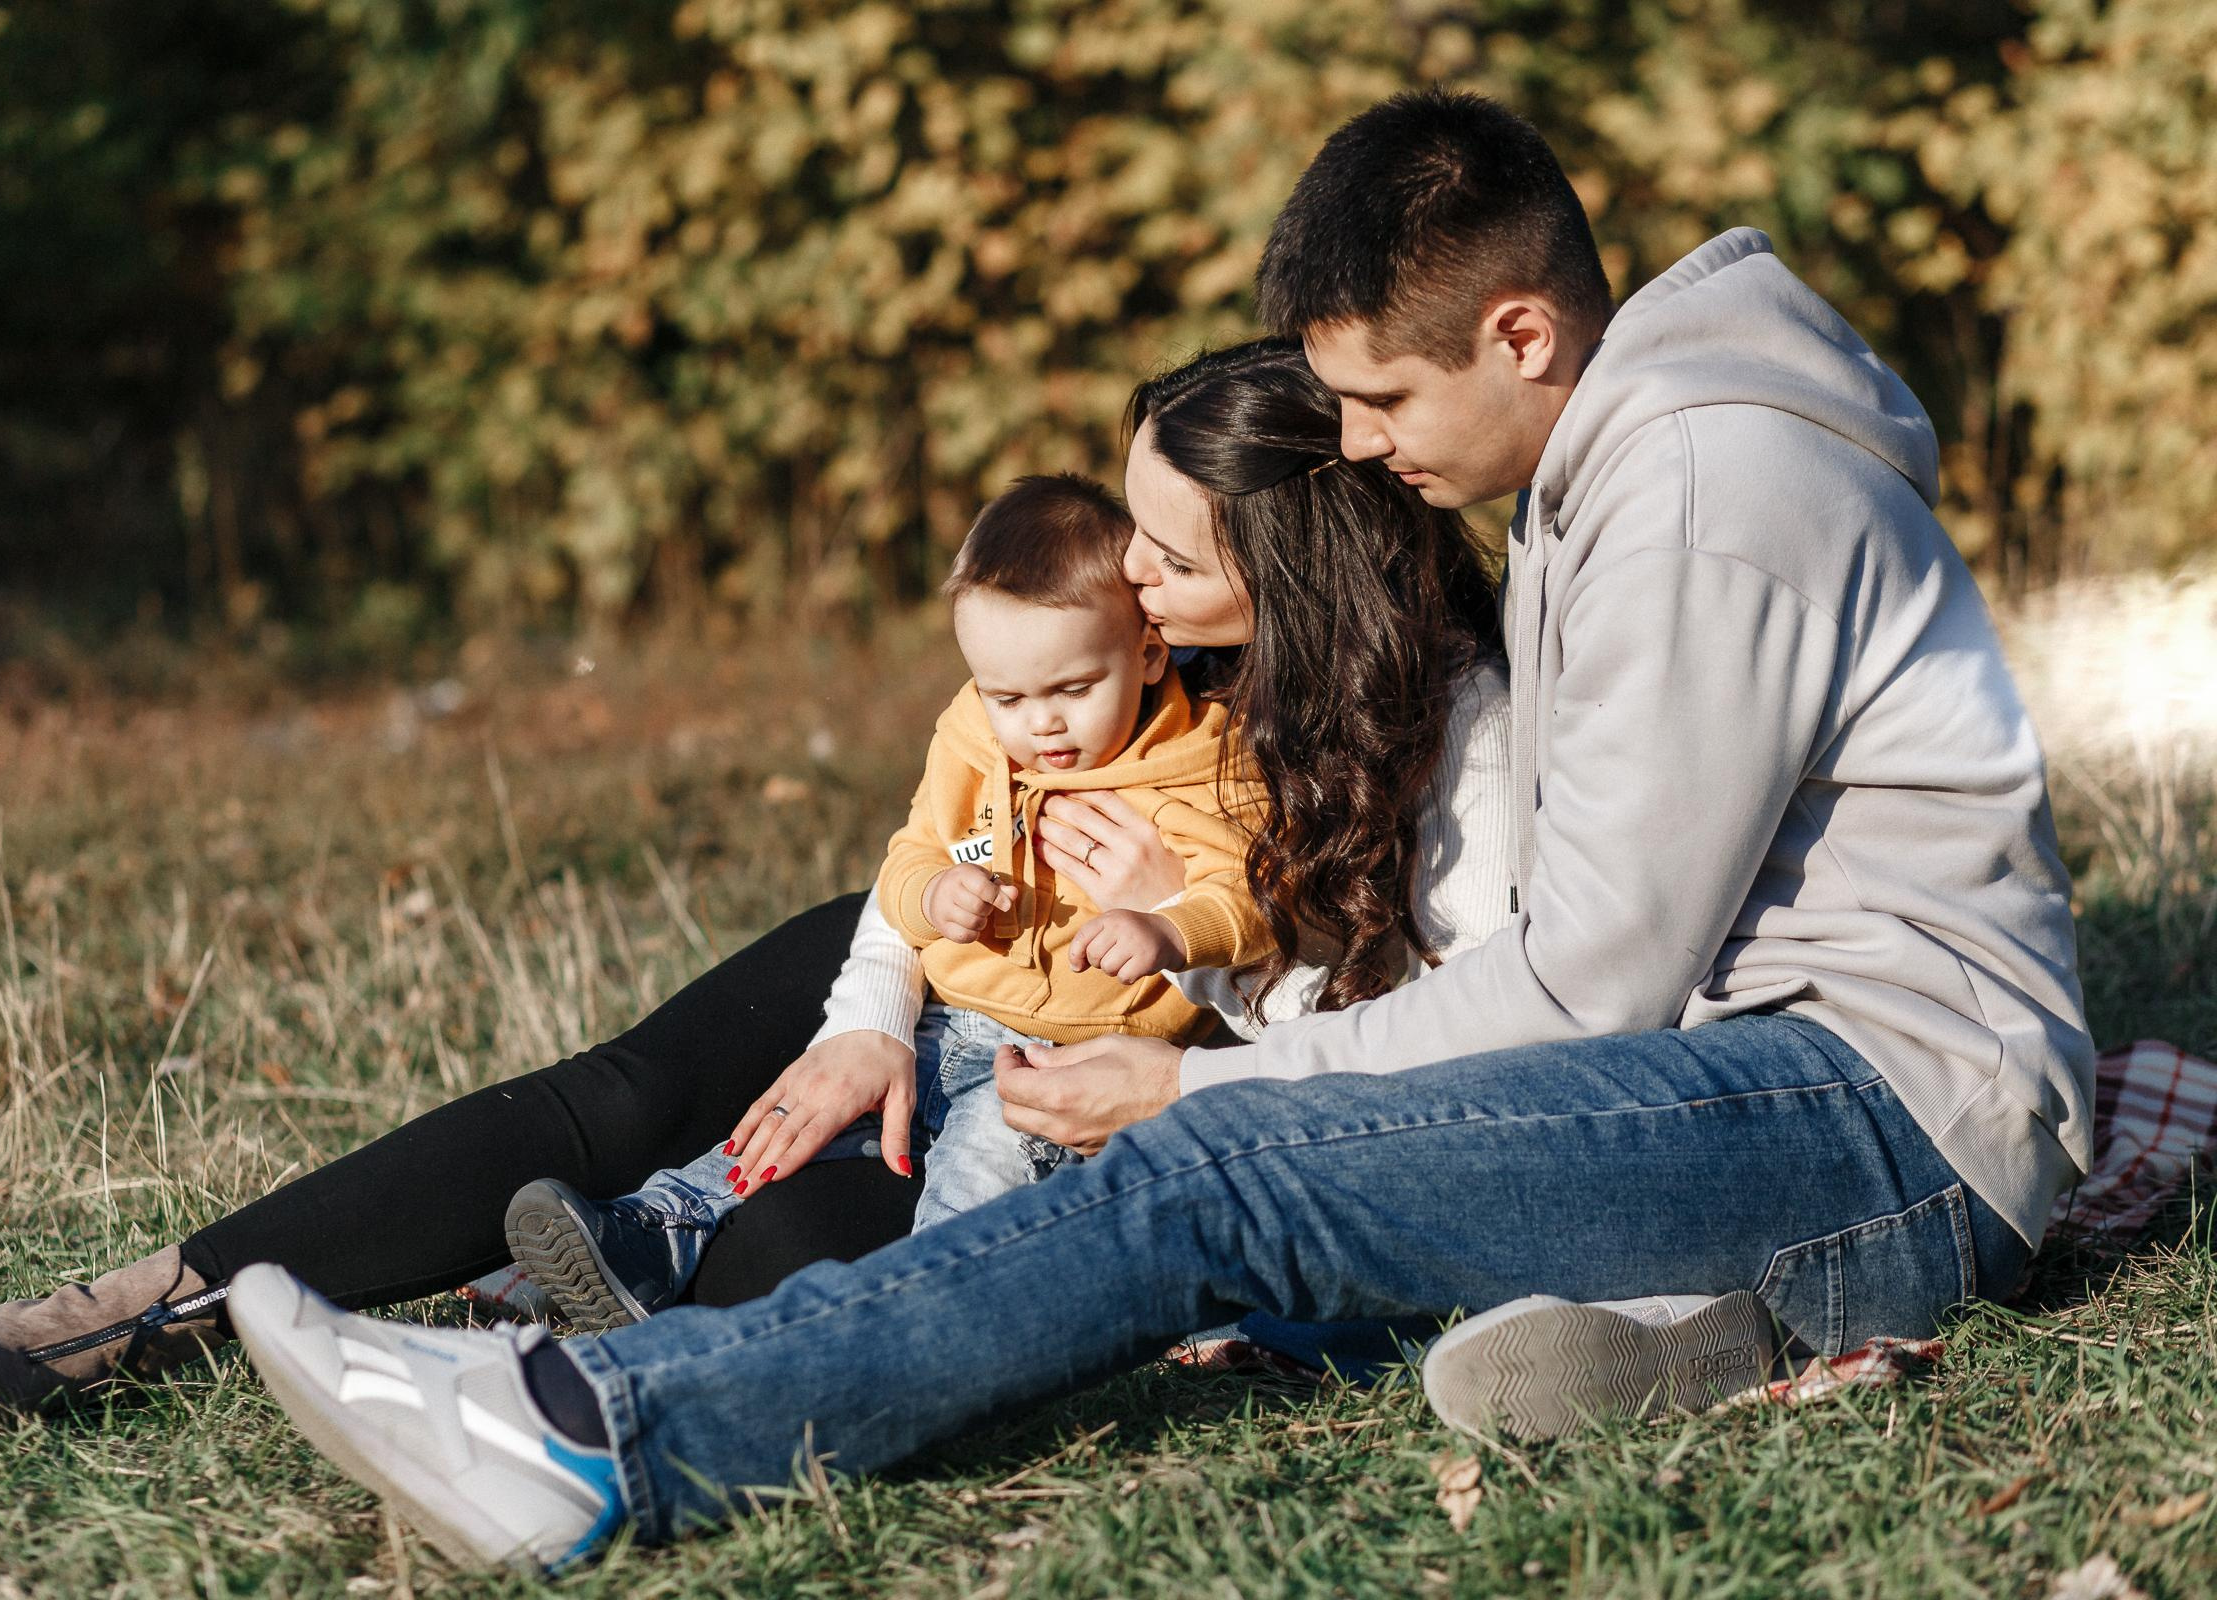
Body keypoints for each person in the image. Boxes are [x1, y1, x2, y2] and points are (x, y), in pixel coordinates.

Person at [222, 87, 2090, 1573]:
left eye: (1380, 396)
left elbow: (1592, 970)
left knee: (1216, 1175)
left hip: (1880, 1107)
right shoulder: (1639, 463)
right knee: (1223, 1155)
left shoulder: (1698, 485)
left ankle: (592, 1436)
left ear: (1523, 330)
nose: (1353, 446)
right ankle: (1685, 1327)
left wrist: (1202, 1092)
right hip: (1784, 1093)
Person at [0, 343, 1509, 1433]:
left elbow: (1448, 1030)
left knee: (777, 1246)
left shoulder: (1445, 737)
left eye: (1165, 550)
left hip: (1144, 1060)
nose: (1126, 578)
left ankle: (533, 1349)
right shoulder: (1121, 647)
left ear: (1289, 559)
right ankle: (150, 1305)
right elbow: (947, 808)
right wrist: (875, 1009)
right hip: (963, 969)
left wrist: (1193, 993)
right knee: (644, 1085)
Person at [504, 472, 1277, 1329]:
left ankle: (920, 1316)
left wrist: (1169, 927)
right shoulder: (976, 738)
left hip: (1077, 1058)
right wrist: (934, 893)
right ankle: (653, 1231)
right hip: (949, 1020)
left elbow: (1247, 899)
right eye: (1009, 696)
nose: (1042, 726)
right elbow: (912, 853)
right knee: (801, 1119)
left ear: (1149, 655)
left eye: (1072, 690)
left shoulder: (1203, 763)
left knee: (983, 1170)